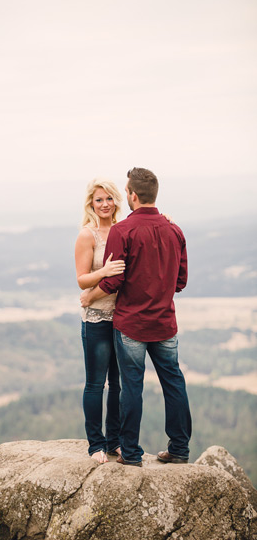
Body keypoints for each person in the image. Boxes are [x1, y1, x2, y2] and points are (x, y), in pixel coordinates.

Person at [81, 167, 190, 466]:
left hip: (131, 324)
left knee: (131, 388)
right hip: (165, 323)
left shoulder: (122, 231)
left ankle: (130, 453)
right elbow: (180, 282)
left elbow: (114, 280)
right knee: (174, 383)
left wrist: (90, 295)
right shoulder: (175, 230)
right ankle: (179, 448)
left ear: (131, 195)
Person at [73, 178, 126, 464]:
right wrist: (104, 271)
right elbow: (81, 279)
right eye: (98, 200)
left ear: (116, 200)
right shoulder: (87, 235)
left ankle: (114, 442)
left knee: (119, 385)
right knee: (96, 383)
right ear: (91, 204)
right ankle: (96, 444)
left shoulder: (122, 229)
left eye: (109, 199)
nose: (104, 204)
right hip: (96, 319)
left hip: (123, 318)